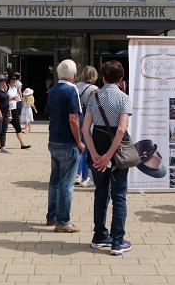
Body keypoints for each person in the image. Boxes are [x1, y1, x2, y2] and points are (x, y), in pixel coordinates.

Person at [82, 60, 133, 255]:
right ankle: (118, 241)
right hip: (117, 150)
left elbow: (86, 129)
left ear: (102, 77)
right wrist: (109, 155)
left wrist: (95, 155)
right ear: (121, 79)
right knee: (119, 195)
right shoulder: (124, 98)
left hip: (97, 144)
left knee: (100, 192)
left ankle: (99, 235)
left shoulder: (94, 98)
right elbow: (121, 129)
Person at [45, 59, 86, 233]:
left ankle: (52, 216)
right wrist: (79, 141)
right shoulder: (72, 90)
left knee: (55, 181)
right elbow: (74, 118)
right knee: (66, 184)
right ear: (74, 76)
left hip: (54, 140)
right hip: (68, 142)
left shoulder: (53, 90)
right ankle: (63, 221)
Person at [75, 65, 99, 187]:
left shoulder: (76, 86)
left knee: (78, 146)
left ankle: (76, 174)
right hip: (88, 121)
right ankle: (84, 176)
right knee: (86, 148)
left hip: (76, 119)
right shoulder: (94, 89)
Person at [5, 72, 30, 149]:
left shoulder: (15, 87)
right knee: (2, 128)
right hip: (6, 110)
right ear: (9, 79)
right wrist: (11, 98)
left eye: (16, 78)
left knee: (18, 127)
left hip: (13, 110)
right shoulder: (6, 87)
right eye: (13, 78)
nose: (15, 80)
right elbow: (2, 98)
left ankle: (22, 144)